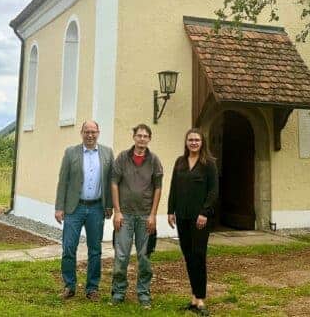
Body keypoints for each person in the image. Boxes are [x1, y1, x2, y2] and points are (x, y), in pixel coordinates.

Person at [55, 120, 114, 301]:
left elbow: (111, 181)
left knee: (95, 250)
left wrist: (109, 205)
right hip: (74, 207)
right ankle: (69, 286)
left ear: (98, 133)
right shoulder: (71, 152)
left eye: (93, 132)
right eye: (87, 132)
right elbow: (63, 180)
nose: (90, 135)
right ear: (81, 133)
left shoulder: (107, 153)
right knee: (69, 248)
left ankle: (92, 288)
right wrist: (59, 207)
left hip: (97, 208)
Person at [110, 123, 163, 309]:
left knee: (144, 256)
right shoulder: (122, 158)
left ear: (149, 139)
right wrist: (117, 211)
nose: (142, 139)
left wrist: (153, 215)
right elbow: (114, 183)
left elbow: (158, 187)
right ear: (134, 137)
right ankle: (118, 292)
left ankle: (144, 294)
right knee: (121, 255)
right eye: (139, 135)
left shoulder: (154, 160)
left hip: (145, 217)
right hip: (125, 216)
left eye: (145, 136)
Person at [167, 128, 218, 315]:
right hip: (182, 216)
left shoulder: (209, 164)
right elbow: (173, 187)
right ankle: (194, 298)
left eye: (197, 140)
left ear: (202, 142)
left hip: (200, 219)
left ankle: (202, 298)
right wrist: (170, 211)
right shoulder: (180, 162)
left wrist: (205, 213)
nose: (194, 142)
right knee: (188, 256)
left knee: (198, 256)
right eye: (190, 140)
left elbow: (213, 191)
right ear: (186, 142)